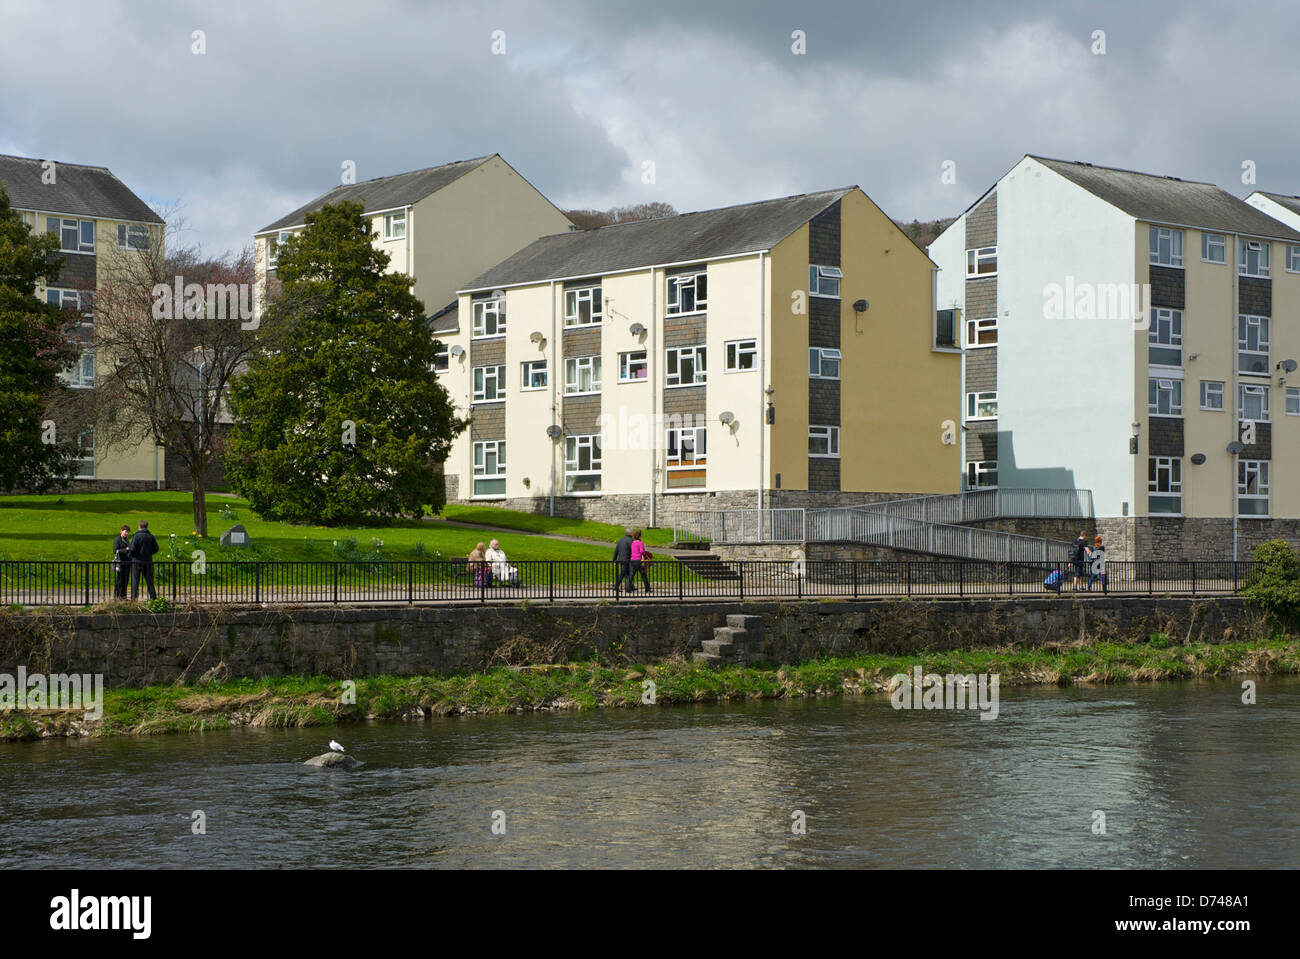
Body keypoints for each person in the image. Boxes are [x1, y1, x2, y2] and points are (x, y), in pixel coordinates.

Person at [129, 519, 159, 600]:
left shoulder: (136, 536)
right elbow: (156, 548)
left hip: (136, 561)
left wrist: (133, 555)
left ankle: (134, 599)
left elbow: (132, 549)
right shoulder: (151, 536)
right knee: (150, 582)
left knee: (135, 582)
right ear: (146, 526)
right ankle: (153, 598)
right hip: (148, 561)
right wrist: (149, 553)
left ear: (139, 526)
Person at [629, 529, 652, 594]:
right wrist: (646, 555)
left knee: (632, 575)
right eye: (641, 535)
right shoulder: (640, 543)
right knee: (643, 575)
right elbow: (642, 551)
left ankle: (628, 588)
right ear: (639, 536)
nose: (641, 537)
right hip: (639, 561)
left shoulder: (632, 543)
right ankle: (647, 588)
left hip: (633, 560)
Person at [112, 524, 131, 598]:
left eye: (128, 532)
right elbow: (115, 550)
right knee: (119, 580)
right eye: (125, 531)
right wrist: (125, 550)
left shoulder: (126, 540)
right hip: (121, 563)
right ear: (121, 531)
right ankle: (117, 596)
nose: (127, 533)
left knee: (125, 580)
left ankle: (123, 596)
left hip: (127, 563)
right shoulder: (117, 540)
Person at [613, 527, 634, 593]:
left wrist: (614, 560)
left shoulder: (620, 540)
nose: (633, 533)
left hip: (621, 559)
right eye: (632, 532)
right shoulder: (631, 540)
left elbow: (616, 551)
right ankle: (618, 587)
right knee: (624, 574)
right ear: (630, 533)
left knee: (626, 573)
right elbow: (632, 550)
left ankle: (630, 586)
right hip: (628, 560)